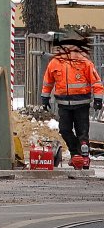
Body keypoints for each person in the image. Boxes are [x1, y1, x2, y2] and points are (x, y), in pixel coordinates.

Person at [40, 32, 103, 167]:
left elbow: (96, 82)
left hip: (81, 104)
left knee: (82, 132)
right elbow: (48, 82)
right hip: (63, 104)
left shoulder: (84, 62)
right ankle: (76, 153)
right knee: (64, 130)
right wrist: (44, 98)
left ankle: (84, 157)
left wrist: (98, 99)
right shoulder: (55, 63)